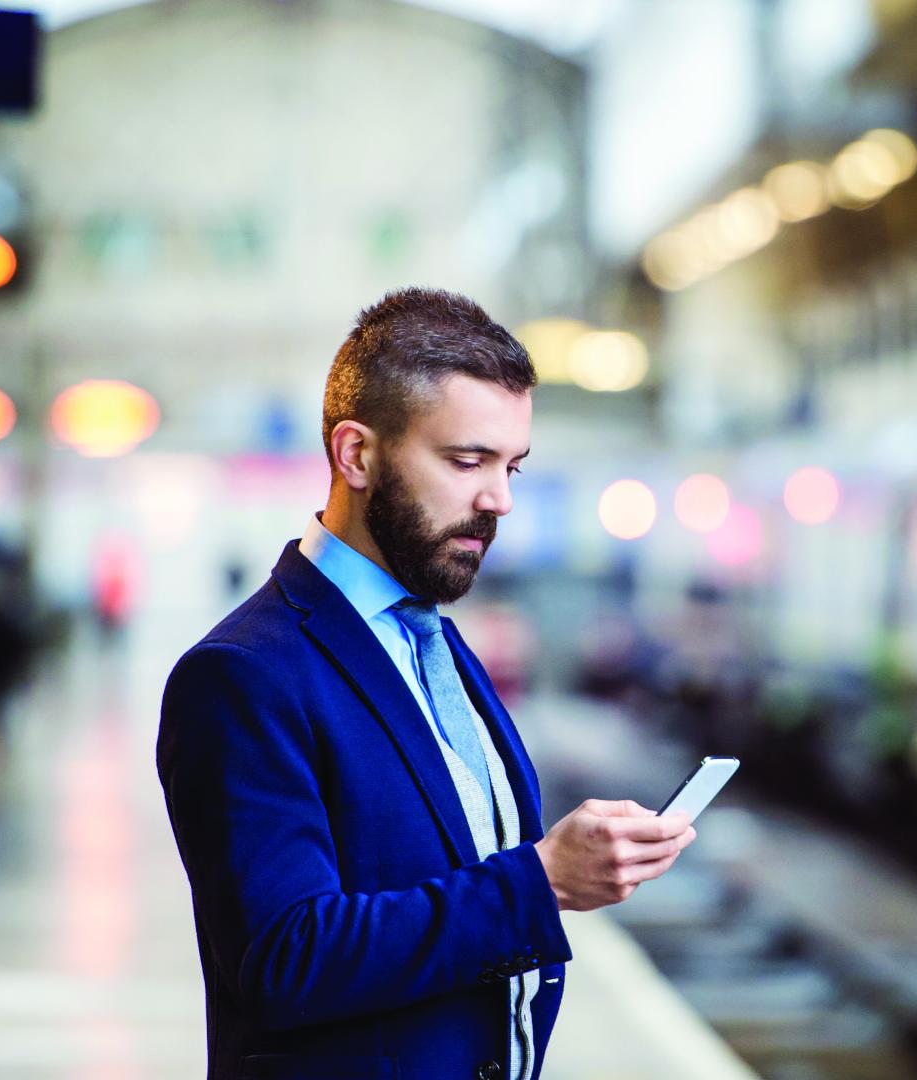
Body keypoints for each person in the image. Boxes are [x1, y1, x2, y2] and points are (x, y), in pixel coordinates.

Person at [157, 287, 696, 1080]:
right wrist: (541, 880)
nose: (499, 500)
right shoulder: (243, 675)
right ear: (356, 455)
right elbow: (284, 957)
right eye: (467, 460)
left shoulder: (433, 641)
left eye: (512, 466)